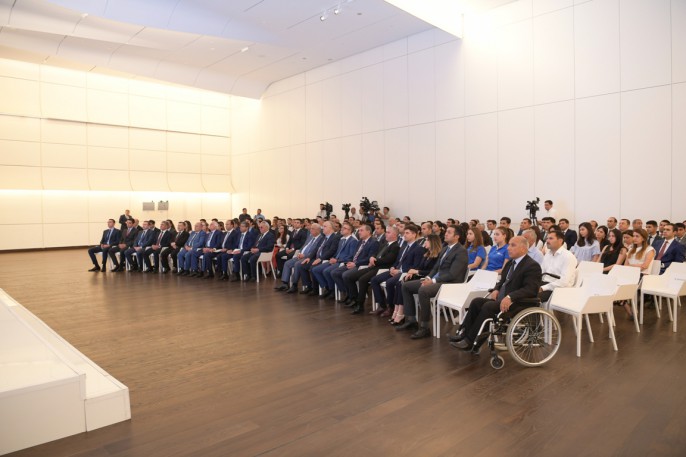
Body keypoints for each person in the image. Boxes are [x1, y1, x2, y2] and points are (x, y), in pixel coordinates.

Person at [450, 236, 542, 352]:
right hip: (502, 300)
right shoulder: (510, 263)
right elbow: (502, 281)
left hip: (518, 303)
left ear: (523, 249)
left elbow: (531, 289)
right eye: (509, 245)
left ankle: (470, 341)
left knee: (488, 306)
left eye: (513, 245)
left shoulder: (532, 266)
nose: (508, 248)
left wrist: (510, 297)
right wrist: (496, 289)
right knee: (476, 302)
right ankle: (463, 334)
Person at [398, 225, 468, 339]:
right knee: (406, 286)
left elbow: (453, 274)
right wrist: (428, 278)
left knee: (424, 290)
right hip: (439, 281)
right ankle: (411, 320)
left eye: (449, 232)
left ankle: (424, 327)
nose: (446, 234)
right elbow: (435, 268)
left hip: (451, 284)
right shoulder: (445, 249)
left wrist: (433, 280)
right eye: (446, 232)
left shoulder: (461, 251)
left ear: (457, 236)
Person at [369, 225, 424, 317]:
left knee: (390, 282)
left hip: (405, 273)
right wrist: (393, 267)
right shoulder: (404, 246)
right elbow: (397, 261)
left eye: (407, 233)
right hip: (396, 270)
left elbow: (415, 266)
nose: (404, 235)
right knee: (374, 280)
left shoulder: (418, 248)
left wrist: (400, 271)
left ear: (414, 234)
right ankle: (382, 305)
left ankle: (391, 307)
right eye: (404, 233)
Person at [388, 234, 441, 325]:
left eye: (427, 240)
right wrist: (412, 272)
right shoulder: (427, 253)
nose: (425, 242)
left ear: (433, 242)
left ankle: (401, 312)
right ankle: (397, 310)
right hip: (420, 276)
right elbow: (419, 267)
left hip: (428, 279)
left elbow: (432, 272)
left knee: (402, 284)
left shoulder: (437, 255)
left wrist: (416, 271)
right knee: (399, 283)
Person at [347, 226, 400, 314]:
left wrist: (374, 261)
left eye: (388, 232)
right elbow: (376, 253)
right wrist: (372, 257)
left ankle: (360, 305)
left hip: (382, 268)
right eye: (386, 232)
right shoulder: (385, 244)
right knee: (351, 276)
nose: (386, 234)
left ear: (395, 235)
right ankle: (354, 298)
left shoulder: (395, 246)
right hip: (374, 266)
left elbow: (389, 260)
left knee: (363, 279)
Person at [330, 224, 379, 302]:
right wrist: (350, 262)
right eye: (359, 230)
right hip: (354, 263)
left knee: (346, 275)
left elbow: (369, 258)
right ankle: (348, 294)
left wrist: (355, 264)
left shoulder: (373, 242)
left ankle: (353, 297)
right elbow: (354, 255)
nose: (359, 232)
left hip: (362, 265)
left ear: (368, 231)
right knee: (335, 272)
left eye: (361, 230)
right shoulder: (360, 241)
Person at [313, 222, 359, 298]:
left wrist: (337, 261)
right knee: (316, 269)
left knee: (327, 271)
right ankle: (327, 288)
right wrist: (333, 258)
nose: (342, 229)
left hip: (342, 262)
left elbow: (351, 257)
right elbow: (337, 252)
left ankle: (341, 291)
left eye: (345, 228)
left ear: (350, 231)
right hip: (336, 260)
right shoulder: (341, 240)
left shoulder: (353, 241)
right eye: (342, 228)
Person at [278, 224, 323, 292]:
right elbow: (303, 246)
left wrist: (304, 255)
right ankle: (285, 283)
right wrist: (299, 253)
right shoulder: (310, 237)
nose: (310, 230)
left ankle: (294, 285)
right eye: (310, 228)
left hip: (309, 257)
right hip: (300, 255)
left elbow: (315, 251)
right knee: (287, 263)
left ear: (318, 230)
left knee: (297, 264)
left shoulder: (321, 239)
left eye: (312, 229)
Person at [297, 221, 340, 294]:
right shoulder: (323, 237)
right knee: (302, 265)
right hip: (317, 258)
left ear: (331, 228)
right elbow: (316, 249)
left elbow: (332, 251)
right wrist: (309, 258)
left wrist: (320, 259)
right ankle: (309, 286)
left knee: (313, 268)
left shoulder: (335, 237)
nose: (323, 228)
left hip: (325, 259)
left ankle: (325, 288)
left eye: (325, 226)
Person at [539, 229, 577, 302]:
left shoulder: (568, 256)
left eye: (551, 238)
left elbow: (564, 281)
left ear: (560, 241)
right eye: (547, 238)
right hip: (545, 283)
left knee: (529, 298)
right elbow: (541, 272)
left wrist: (543, 288)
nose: (547, 241)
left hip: (557, 288)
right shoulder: (548, 254)